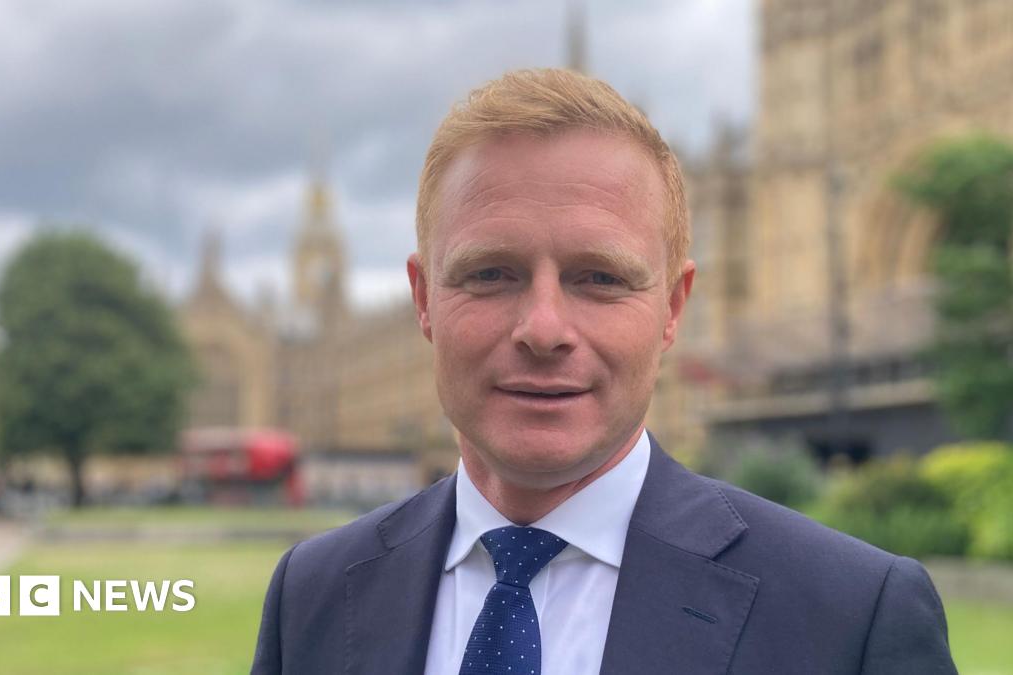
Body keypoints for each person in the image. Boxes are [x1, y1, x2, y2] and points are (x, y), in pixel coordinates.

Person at [251, 68, 956, 674]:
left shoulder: (851, 616)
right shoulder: (311, 593)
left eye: (599, 278)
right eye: (492, 274)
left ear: (673, 307)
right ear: (424, 298)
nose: (545, 329)